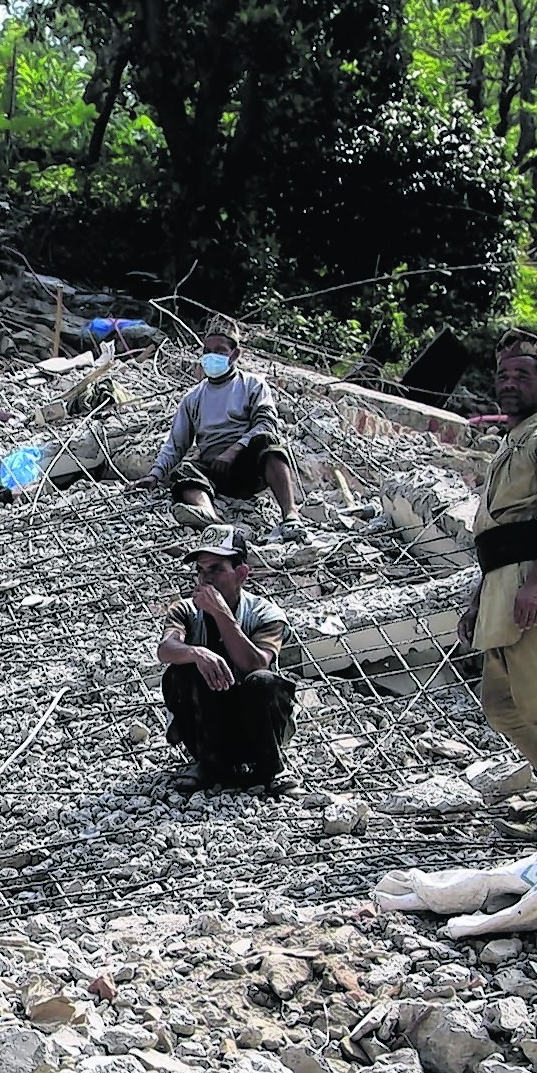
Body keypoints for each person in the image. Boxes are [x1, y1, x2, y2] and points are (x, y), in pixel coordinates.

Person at [457, 332, 537, 837]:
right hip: (499, 585)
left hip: (532, 582)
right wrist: (478, 600)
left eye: (522, 375)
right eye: (503, 374)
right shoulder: (510, 446)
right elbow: (494, 537)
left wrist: (535, 584)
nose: (510, 384)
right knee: (501, 703)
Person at [155, 526, 297, 792]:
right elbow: (166, 649)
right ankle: (209, 765)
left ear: (241, 574)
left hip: (256, 726)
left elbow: (256, 664)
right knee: (185, 668)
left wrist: (222, 615)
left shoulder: (266, 614)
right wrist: (197, 653)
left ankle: (271, 767)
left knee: (262, 681)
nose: (205, 579)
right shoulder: (185, 609)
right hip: (206, 726)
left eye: (217, 569)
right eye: (201, 570)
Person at [142, 324, 302, 538]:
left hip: (246, 465)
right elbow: (176, 444)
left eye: (219, 351)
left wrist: (234, 450)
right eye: (207, 351)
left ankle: (290, 515)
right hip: (211, 469)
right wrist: (154, 475)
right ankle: (211, 517)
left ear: (235, 354)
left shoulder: (252, 385)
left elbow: (266, 423)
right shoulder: (193, 398)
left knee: (269, 443)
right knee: (184, 470)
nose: (211, 357)